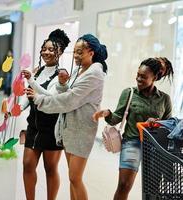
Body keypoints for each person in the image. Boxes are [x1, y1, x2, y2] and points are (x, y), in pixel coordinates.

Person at [25, 34, 108, 200]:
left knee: (74, 178)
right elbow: (67, 93)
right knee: (72, 178)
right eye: (75, 52)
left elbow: (70, 100)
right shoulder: (79, 70)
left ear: (91, 53)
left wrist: (39, 99)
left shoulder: (94, 73)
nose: (76, 56)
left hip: (82, 129)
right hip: (68, 128)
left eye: (79, 52)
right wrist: (63, 84)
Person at [93, 57, 173, 200]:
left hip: (155, 147)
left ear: (154, 77)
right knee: (124, 185)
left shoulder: (164, 99)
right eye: (138, 75)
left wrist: (156, 123)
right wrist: (107, 113)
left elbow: (169, 125)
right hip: (132, 142)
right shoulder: (129, 93)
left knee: (152, 190)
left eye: (143, 77)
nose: (138, 79)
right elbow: (117, 117)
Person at [21, 29, 70, 200]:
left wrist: (32, 82)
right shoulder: (37, 71)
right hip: (33, 126)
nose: (46, 52)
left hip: (52, 128)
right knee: (27, 164)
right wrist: (17, 109)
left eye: (51, 49)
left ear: (60, 52)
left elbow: (53, 97)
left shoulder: (62, 75)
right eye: (44, 49)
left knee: (50, 168)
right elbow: (30, 95)